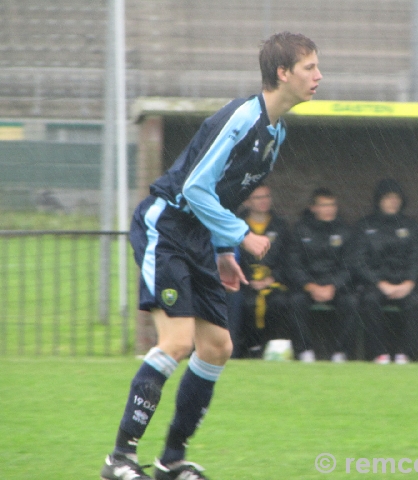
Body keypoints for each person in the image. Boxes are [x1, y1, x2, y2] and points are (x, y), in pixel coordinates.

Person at [101, 32, 321, 480]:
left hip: (200, 240)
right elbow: (194, 188)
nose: (319, 76)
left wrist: (222, 251)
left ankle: (171, 461)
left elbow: (226, 193)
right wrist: (239, 234)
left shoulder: (276, 132)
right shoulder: (243, 117)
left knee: (218, 347)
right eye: (310, 67)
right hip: (166, 226)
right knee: (178, 341)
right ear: (283, 74)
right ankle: (119, 459)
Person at [350, 179, 418, 364]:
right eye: (388, 198)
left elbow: (417, 257)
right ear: (379, 200)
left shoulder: (411, 226)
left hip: (405, 283)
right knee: (369, 300)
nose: (393, 201)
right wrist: (380, 283)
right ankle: (379, 353)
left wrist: (409, 282)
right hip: (376, 283)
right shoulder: (365, 225)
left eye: (396, 198)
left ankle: (405, 354)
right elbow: (358, 261)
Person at [288, 188, 359, 362]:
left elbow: (349, 266)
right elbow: (293, 264)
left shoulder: (345, 231)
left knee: (351, 302)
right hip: (308, 285)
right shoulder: (300, 230)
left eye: (332, 205)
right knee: (294, 302)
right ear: (313, 208)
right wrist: (310, 286)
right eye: (324, 205)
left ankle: (341, 353)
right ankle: (305, 351)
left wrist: (333, 285)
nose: (329, 209)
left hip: (335, 287)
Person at [235, 185, 290, 358]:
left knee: (279, 303)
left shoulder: (280, 226)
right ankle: (248, 348)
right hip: (244, 282)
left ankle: (273, 349)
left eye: (267, 196)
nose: (264, 200)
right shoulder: (237, 225)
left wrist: (272, 278)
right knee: (245, 304)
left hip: (272, 282)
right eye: (258, 197)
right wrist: (246, 279)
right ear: (247, 201)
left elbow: (288, 258)